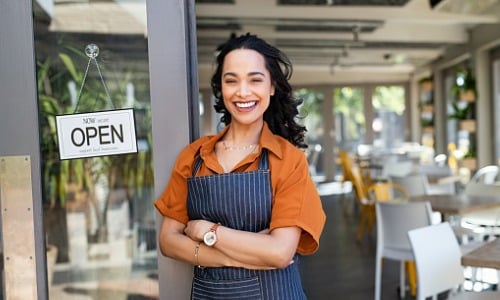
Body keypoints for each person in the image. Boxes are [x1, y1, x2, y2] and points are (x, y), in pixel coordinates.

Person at [154, 33, 326, 300]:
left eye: (255, 79)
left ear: (271, 87)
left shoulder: (288, 160)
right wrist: (245, 257)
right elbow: (168, 241)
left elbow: (280, 253)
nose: (243, 92)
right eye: (231, 80)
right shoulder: (193, 156)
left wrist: (207, 232)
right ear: (221, 88)